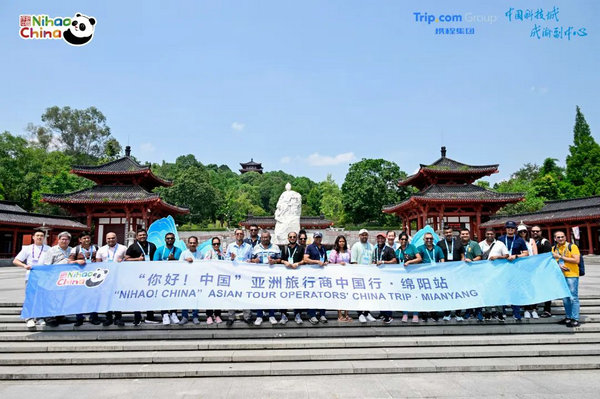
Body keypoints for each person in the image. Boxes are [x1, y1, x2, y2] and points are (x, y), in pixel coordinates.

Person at [13, 229, 50, 328]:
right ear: (33, 237)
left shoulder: (48, 249)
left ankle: (39, 317)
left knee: (41, 297)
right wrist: (25, 266)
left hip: (43, 277)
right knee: (30, 297)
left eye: (42, 235)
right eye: (37, 235)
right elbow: (16, 261)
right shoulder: (27, 248)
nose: (39, 237)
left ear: (44, 237)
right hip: (30, 276)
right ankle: (28, 318)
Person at [125, 229, 159, 325]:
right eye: (140, 235)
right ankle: (137, 317)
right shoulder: (132, 247)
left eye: (144, 235)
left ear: (147, 236)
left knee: (150, 295)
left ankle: (150, 316)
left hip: (150, 275)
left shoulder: (152, 245)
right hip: (137, 275)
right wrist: (137, 259)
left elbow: (155, 259)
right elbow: (126, 259)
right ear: (136, 237)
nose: (142, 236)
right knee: (137, 296)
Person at [497, 221, 529, 321]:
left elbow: (526, 253)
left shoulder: (520, 240)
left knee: (515, 290)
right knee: (502, 289)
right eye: (508, 228)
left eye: (512, 228)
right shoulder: (500, 239)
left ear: (515, 229)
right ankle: (502, 312)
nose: (510, 229)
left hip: (515, 268)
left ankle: (516, 312)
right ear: (505, 229)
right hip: (502, 268)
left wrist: (516, 256)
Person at [41, 231, 73, 327]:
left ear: (69, 241)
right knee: (52, 297)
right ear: (58, 240)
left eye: (66, 239)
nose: (64, 241)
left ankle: (60, 316)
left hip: (67, 278)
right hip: (54, 277)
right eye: (62, 239)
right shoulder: (51, 250)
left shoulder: (72, 250)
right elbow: (47, 265)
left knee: (62, 297)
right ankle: (49, 317)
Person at [68, 232, 100, 326]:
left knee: (93, 297)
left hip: (94, 276)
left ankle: (94, 316)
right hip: (80, 276)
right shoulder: (76, 249)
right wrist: (77, 261)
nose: (87, 240)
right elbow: (69, 262)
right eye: (84, 238)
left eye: (88, 238)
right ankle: (79, 317)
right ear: (80, 240)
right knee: (79, 297)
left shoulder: (96, 248)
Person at [251, 231, 282, 325]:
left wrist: (274, 261)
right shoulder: (256, 248)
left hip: (271, 275)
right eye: (263, 237)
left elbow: (280, 259)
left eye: (267, 237)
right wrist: (254, 260)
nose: (265, 239)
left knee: (271, 295)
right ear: (261, 238)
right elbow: (251, 259)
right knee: (260, 295)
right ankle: (259, 316)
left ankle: (271, 315)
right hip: (259, 275)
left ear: (270, 238)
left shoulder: (275, 247)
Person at [96, 232, 127, 326]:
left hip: (119, 276)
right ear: (106, 239)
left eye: (113, 238)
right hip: (106, 277)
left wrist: (123, 261)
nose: (111, 240)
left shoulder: (123, 248)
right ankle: (108, 318)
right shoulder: (101, 250)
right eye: (109, 238)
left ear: (116, 238)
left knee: (117, 297)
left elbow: (128, 259)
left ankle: (118, 318)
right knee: (107, 297)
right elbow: (98, 264)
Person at [478, 228, 509, 320]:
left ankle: (499, 312)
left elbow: (506, 255)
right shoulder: (480, 244)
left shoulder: (500, 244)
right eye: (488, 234)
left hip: (497, 272)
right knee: (486, 292)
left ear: (494, 235)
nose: (489, 235)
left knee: (498, 292)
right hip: (485, 272)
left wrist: (497, 257)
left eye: (491, 234)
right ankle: (488, 312)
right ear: (485, 235)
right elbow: (478, 256)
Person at [552, 231, 581, 328]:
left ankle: (575, 318)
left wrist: (560, 257)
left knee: (573, 297)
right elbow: (553, 263)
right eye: (558, 237)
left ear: (565, 237)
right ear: (555, 239)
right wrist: (558, 266)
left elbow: (577, 260)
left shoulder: (572, 247)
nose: (560, 239)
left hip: (572, 274)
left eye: (562, 237)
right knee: (565, 298)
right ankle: (568, 317)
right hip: (560, 275)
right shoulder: (554, 248)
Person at [224, 229, 253, 326]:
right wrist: (231, 258)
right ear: (234, 235)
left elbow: (251, 258)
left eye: (241, 234)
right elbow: (225, 260)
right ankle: (231, 317)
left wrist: (250, 261)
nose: (239, 235)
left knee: (246, 295)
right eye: (237, 234)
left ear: (243, 235)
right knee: (232, 295)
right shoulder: (230, 246)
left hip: (245, 275)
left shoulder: (249, 247)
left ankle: (247, 317)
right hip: (233, 274)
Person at [153, 232, 182, 325]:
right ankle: (165, 314)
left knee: (174, 295)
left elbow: (182, 264)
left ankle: (173, 313)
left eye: (171, 238)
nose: (170, 240)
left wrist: (173, 260)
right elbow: (154, 263)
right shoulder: (159, 250)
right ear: (165, 240)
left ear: (174, 240)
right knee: (164, 295)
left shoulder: (178, 250)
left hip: (175, 277)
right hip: (162, 276)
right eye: (168, 238)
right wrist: (167, 260)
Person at [436, 228, 464, 322]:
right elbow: (437, 257)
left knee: (457, 293)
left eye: (450, 232)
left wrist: (461, 266)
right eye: (446, 233)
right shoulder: (440, 244)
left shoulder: (458, 243)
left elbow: (462, 256)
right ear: (444, 234)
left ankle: (458, 313)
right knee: (446, 293)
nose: (448, 234)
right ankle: (447, 313)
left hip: (457, 272)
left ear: (452, 233)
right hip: (445, 272)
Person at [417, 232, 445, 322]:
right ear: (424, 239)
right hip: (423, 275)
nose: (429, 240)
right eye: (427, 238)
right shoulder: (420, 248)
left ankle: (434, 312)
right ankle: (424, 313)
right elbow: (417, 261)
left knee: (434, 294)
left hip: (435, 275)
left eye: (431, 238)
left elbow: (442, 260)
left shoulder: (437, 248)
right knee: (423, 294)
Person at [350, 229, 377, 323]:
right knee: (360, 295)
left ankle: (367, 312)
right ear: (359, 236)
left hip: (369, 274)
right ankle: (360, 313)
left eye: (366, 235)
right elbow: (353, 261)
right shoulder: (356, 246)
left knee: (368, 295)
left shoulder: (371, 246)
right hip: (359, 274)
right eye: (362, 235)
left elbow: (373, 259)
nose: (364, 236)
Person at [303, 232, 329, 324]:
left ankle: (322, 313)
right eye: (316, 237)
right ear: (313, 238)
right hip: (312, 274)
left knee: (322, 294)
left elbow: (325, 259)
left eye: (319, 237)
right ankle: (312, 314)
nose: (318, 239)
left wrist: (325, 262)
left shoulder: (323, 248)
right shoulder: (309, 247)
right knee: (312, 294)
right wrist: (317, 262)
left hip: (322, 275)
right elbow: (306, 259)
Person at [280, 231, 305, 324]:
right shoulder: (284, 248)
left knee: (297, 294)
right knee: (284, 294)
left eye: (294, 237)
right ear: (288, 238)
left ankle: (297, 314)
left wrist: (298, 263)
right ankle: (283, 314)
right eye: (290, 237)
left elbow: (304, 260)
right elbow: (280, 259)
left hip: (297, 275)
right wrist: (284, 262)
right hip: (286, 275)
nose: (292, 238)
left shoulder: (301, 248)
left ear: (296, 238)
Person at [459, 229, 483, 321]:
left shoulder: (474, 244)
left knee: (476, 291)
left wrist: (472, 261)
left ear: (469, 234)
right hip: (462, 273)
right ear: (460, 235)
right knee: (466, 292)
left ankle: (478, 311)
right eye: (462, 234)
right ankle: (468, 311)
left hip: (473, 272)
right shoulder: (458, 244)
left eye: (466, 234)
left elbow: (479, 256)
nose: (464, 235)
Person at [397, 232, 421, 323]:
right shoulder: (398, 250)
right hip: (402, 276)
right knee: (404, 295)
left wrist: (409, 262)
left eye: (405, 239)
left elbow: (419, 258)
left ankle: (415, 314)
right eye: (402, 239)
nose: (404, 241)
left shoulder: (412, 247)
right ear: (399, 240)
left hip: (413, 274)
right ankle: (405, 313)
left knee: (414, 294)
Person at [373, 233, 398, 324]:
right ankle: (382, 313)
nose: (380, 240)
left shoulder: (389, 249)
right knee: (380, 295)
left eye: (382, 238)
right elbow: (374, 260)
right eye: (378, 238)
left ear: (385, 239)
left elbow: (394, 261)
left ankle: (388, 314)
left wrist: (383, 262)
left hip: (387, 276)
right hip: (378, 276)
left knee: (387, 295)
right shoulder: (375, 250)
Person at [531, 226, 554, 317]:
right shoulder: (530, 242)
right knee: (534, 289)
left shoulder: (544, 242)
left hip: (544, 270)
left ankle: (547, 309)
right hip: (532, 270)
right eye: (533, 231)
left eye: (537, 231)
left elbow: (548, 257)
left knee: (546, 289)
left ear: (541, 232)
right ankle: (534, 308)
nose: (535, 233)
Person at [202, 237, 226, 325]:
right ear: (212, 245)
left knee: (218, 298)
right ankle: (209, 315)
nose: (216, 245)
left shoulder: (223, 253)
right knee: (209, 298)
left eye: (217, 244)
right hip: (211, 279)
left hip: (220, 279)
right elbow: (205, 264)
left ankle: (217, 315)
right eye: (214, 244)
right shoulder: (209, 252)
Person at [328, 235, 352, 322]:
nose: (342, 243)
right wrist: (338, 265)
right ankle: (339, 314)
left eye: (343, 241)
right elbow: (330, 264)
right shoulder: (334, 252)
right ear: (337, 243)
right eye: (340, 241)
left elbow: (351, 262)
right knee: (339, 296)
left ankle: (346, 314)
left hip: (347, 276)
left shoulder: (348, 251)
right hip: (338, 276)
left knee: (347, 295)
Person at [179, 236, 202, 325]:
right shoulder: (184, 253)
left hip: (196, 279)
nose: (192, 244)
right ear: (188, 244)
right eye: (191, 243)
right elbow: (178, 265)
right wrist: (185, 261)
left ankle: (195, 316)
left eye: (194, 243)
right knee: (185, 298)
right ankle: (184, 316)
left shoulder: (200, 253)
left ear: (197, 244)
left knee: (196, 298)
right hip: (186, 280)